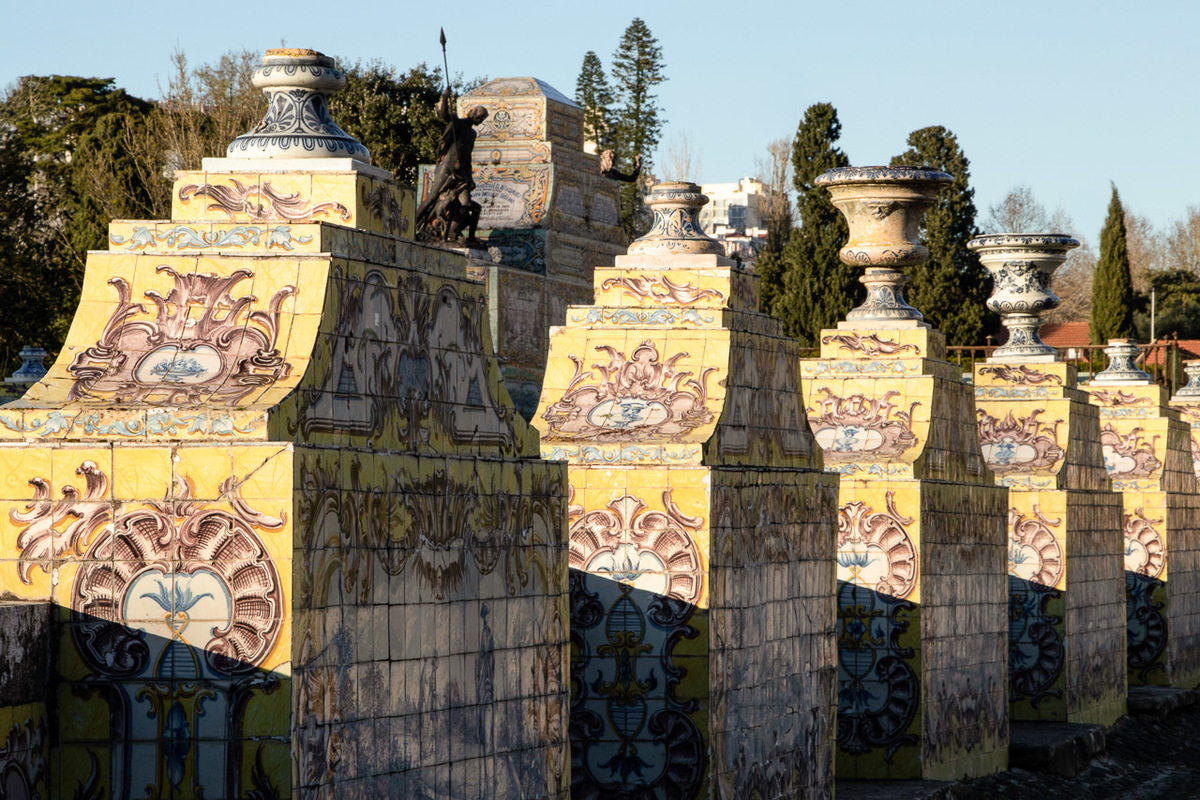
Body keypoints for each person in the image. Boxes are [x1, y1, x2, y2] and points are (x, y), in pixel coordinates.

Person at [416, 89, 489, 244]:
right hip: (447, 168)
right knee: (432, 197)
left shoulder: (472, 134)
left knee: (468, 204)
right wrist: (445, 95)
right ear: (473, 114)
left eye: (482, 119)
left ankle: (455, 232)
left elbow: (467, 156)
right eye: (480, 117)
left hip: (461, 172)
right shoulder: (459, 124)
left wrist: (469, 177)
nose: (480, 120)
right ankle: (413, 226)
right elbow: (444, 115)